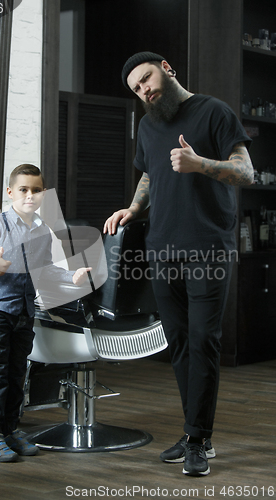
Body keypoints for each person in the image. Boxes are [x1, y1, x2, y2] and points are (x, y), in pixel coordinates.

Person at [103, 52, 254, 476]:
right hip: (161, 248)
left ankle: (195, 439)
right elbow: (149, 173)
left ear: (166, 68)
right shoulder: (148, 125)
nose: (144, 90)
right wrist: (133, 209)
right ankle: (197, 436)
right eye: (136, 88)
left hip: (208, 246)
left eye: (146, 78)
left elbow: (247, 173)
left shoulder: (213, 112)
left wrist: (198, 164)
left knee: (205, 339)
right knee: (182, 343)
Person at [0, 164, 91, 462]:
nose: (29, 195)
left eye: (36, 190)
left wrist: (70, 277)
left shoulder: (42, 230)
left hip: (23, 310)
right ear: (11, 193)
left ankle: (9, 430)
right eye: (23, 190)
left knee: (17, 372)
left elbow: (43, 269)